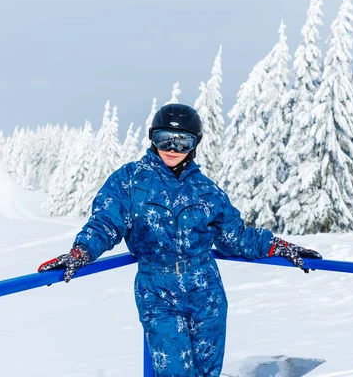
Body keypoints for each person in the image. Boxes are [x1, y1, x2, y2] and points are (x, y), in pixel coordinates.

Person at [38, 103, 322, 376]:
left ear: (194, 144)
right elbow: (104, 224)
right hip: (158, 292)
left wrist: (277, 246)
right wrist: (81, 252)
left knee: (206, 372)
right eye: (164, 140)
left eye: (182, 142)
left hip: (206, 291)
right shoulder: (130, 181)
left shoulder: (205, 190)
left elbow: (235, 238)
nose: (172, 149)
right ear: (152, 139)